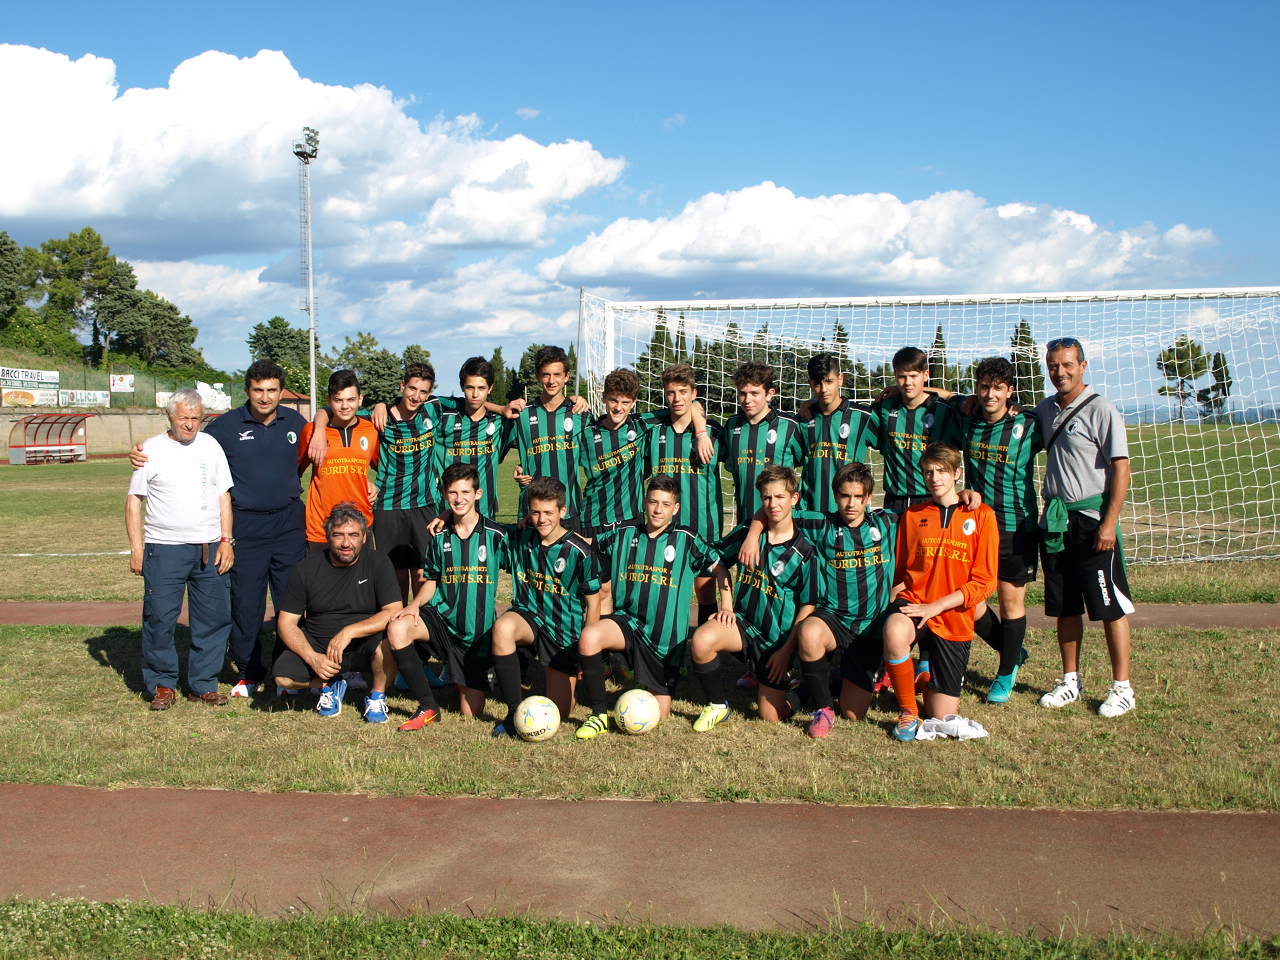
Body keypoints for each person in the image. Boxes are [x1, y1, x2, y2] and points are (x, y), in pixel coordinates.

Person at [130, 360, 307, 698]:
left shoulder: (296, 422)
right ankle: (249, 671)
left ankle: (288, 672)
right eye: (258, 390)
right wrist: (140, 452)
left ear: (281, 392)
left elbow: (323, 441)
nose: (265, 397)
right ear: (247, 391)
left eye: (272, 390)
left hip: (288, 522)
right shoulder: (224, 428)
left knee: (290, 601)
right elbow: (183, 445)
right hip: (247, 523)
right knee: (245, 604)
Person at [1033, 337, 1136, 718]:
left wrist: (1109, 522)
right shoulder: (1045, 411)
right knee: (1064, 605)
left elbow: (1121, 467)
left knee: (1108, 605)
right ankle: (1070, 680)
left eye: (1067, 365)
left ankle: (1122, 687)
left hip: (1093, 521)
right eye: (1054, 365)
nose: (1060, 372)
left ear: (1083, 365)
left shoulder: (1101, 409)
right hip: (1057, 522)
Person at [575, 474, 717, 739]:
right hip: (629, 623)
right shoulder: (624, 533)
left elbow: (718, 567)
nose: (657, 509)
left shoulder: (687, 539)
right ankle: (598, 715)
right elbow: (586, 544)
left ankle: (641, 676)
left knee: (660, 713)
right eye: (653, 502)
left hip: (665, 643)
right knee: (589, 637)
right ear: (645, 502)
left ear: (675, 508)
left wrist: (727, 604)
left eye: (665, 504)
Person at [689, 466, 822, 731]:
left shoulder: (806, 551)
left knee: (770, 715)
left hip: (776, 642)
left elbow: (809, 605)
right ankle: (717, 705)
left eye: (780, 497)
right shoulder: (748, 534)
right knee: (701, 640)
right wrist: (726, 604)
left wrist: (786, 652)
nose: (773, 504)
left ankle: (800, 691)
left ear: (794, 499)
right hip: (743, 626)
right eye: (767, 498)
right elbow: (717, 562)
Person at [125, 389, 234, 710]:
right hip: (164, 549)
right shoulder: (151, 450)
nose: (190, 425)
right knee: (159, 618)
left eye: (196, 418)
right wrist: (136, 548)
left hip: (209, 547)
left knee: (213, 619)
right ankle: (162, 684)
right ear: (169, 417)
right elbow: (134, 502)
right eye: (184, 418)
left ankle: (203, 684)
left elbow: (224, 496)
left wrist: (227, 540)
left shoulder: (211, 446)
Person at [381, 462, 512, 730]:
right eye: (452, 493)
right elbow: (431, 581)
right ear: (445, 495)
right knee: (398, 628)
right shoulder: (439, 537)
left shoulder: (497, 535)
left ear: (478, 494)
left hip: (476, 636)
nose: (459, 499)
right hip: (442, 622)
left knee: (470, 712)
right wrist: (415, 604)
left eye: (465, 492)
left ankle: (463, 676)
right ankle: (428, 705)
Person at [882, 443, 999, 742]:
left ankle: (923, 677)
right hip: (916, 602)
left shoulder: (983, 515)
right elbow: (903, 572)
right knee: (894, 632)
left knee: (941, 714)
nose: (934, 478)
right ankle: (908, 710)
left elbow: (984, 583)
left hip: (952, 616)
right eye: (928, 472)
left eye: (942, 471)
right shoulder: (913, 515)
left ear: (958, 474)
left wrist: (935, 607)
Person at [955, 356, 1044, 702]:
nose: (989, 394)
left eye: (997, 388)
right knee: (966, 600)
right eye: (984, 387)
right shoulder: (967, 417)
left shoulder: (1029, 424)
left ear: (1011, 392)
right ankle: (1012, 652)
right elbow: (942, 397)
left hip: (1016, 528)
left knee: (1011, 603)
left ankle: (1005, 674)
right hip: (977, 527)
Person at [791, 462, 899, 737]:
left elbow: (929, 513)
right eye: (844, 496)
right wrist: (754, 532)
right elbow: (775, 510)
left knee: (853, 712)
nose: (851, 503)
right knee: (809, 632)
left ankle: (833, 677)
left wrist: (963, 496)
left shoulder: (886, 522)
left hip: (870, 630)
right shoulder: (822, 524)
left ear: (868, 499)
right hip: (834, 619)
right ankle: (824, 709)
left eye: (857, 497)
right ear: (836, 495)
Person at [490, 476, 603, 735]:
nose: (542, 519)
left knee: (560, 711)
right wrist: (446, 515)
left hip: (563, 634)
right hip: (529, 618)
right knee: (503, 627)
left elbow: (594, 605)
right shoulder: (520, 539)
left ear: (562, 511)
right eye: (536, 512)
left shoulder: (579, 551)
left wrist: (587, 655)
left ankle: (561, 673)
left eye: (549, 513)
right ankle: (514, 712)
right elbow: (482, 527)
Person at [272, 503, 401, 718]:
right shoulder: (306, 569)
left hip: (363, 641)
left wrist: (349, 631)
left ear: (364, 537)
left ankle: (377, 696)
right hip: (319, 642)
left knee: (391, 641)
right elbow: (286, 622)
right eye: (338, 535)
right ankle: (328, 686)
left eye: (353, 535)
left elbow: (393, 610)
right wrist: (312, 657)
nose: (346, 543)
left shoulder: (378, 562)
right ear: (327, 537)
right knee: (282, 679)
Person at [640, 363, 723, 624]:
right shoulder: (652, 431)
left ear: (694, 393)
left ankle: (702, 652)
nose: (677, 399)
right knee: (662, 591)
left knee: (704, 590)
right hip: (663, 527)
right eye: (671, 392)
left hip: (703, 526)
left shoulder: (714, 434)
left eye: (683, 392)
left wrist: (700, 427)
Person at [505, 345, 590, 527]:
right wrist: (519, 472)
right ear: (537, 376)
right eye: (546, 374)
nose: (551, 381)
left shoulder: (580, 414)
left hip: (570, 509)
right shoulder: (521, 416)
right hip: (532, 512)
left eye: (557, 374)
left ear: (567, 376)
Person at [872, 346, 963, 515]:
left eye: (913, 376)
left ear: (926, 375)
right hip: (894, 501)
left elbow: (964, 402)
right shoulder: (883, 409)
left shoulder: (944, 411)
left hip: (931, 498)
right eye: (902, 377)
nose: (908, 383)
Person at [297, 371, 380, 549]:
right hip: (321, 528)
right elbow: (294, 472)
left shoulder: (371, 431)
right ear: (329, 400)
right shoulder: (311, 432)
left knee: (362, 577)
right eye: (338, 400)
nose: (344, 406)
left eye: (350, 399)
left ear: (360, 399)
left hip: (361, 525)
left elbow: (383, 468)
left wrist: (373, 484)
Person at [720, 362, 804, 526]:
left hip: (781, 525)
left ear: (769, 394)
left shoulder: (790, 426)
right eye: (742, 394)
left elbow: (804, 461)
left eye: (754, 393)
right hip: (744, 522)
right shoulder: (731, 427)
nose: (747, 400)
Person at [798, 352, 878, 515]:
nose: (824, 389)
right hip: (811, 513)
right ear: (810, 383)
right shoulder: (804, 419)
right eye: (818, 383)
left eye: (829, 381)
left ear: (840, 379)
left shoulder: (863, 417)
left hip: (851, 513)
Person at [432, 357, 511, 521]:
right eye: (470, 387)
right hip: (448, 511)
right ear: (462, 387)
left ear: (490, 388)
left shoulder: (500, 422)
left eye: (481, 388)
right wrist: (383, 406)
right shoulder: (444, 419)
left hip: (485, 510)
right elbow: (419, 399)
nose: (475, 394)